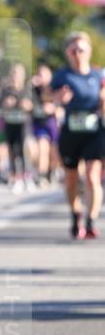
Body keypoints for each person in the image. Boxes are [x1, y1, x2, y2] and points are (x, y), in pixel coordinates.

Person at [51, 31, 105, 239]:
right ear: (68, 53)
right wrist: (59, 98)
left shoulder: (98, 75)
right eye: (73, 50)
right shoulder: (62, 76)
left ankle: (91, 220)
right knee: (71, 178)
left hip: (94, 131)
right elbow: (49, 97)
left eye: (81, 49)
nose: (77, 54)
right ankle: (75, 214)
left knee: (92, 176)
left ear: (89, 51)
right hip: (71, 131)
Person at [0, 62, 33, 194]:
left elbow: (34, 106)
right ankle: (15, 178)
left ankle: (27, 177)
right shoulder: (6, 90)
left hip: (23, 124)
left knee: (23, 150)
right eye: (13, 73)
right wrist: (6, 105)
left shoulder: (27, 89)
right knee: (12, 151)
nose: (15, 76)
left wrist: (27, 105)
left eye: (18, 73)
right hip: (10, 124)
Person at [29, 60, 59, 186]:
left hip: (53, 123)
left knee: (54, 151)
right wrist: (29, 84)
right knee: (42, 148)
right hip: (39, 123)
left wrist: (54, 107)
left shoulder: (55, 87)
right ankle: (42, 175)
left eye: (44, 74)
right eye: (39, 74)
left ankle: (51, 171)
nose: (41, 77)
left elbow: (62, 102)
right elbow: (25, 100)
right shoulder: (33, 89)